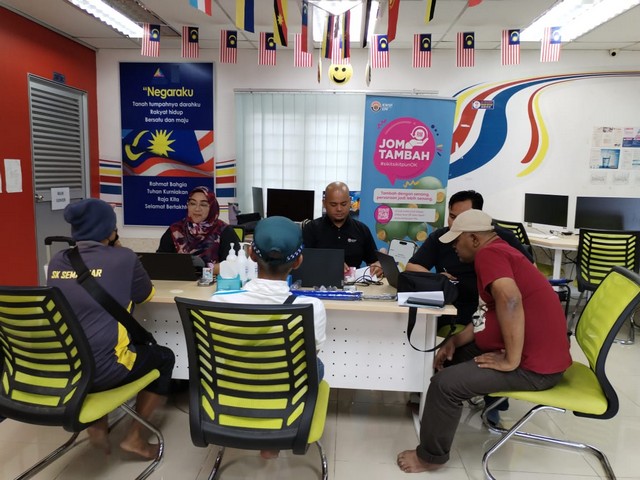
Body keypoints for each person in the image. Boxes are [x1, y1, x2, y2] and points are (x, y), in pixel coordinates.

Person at [396, 209, 572, 473]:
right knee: (449, 356)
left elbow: (510, 300)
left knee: (445, 385)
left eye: (457, 241)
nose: (454, 247)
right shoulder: (500, 252)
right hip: (534, 355)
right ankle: (435, 415)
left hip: (534, 367)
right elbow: (488, 312)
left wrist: (510, 359)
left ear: (475, 239)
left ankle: (429, 458)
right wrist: (456, 340)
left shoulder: (490, 255)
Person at [47, 198, 175, 459]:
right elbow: (145, 295)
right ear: (109, 230)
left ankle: (97, 425)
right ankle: (134, 438)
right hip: (106, 370)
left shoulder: (59, 260)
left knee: (94, 337)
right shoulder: (124, 258)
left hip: (66, 367)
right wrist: (118, 247)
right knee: (164, 357)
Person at [210, 215, 327, 460]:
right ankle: (275, 434)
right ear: (298, 261)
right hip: (285, 397)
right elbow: (308, 359)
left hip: (231, 391)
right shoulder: (311, 307)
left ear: (251, 254)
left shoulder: (219, 301)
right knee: (317, 365)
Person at [405, 190, 533, 328]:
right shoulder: (440, 237)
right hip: (451, 308)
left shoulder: (495, 244)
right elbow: (412, 266)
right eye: (452, 217)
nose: (455, 224)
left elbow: (521, 286)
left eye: (462, 218)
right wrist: (437, 278)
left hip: (484, 311)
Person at [302, 181, 382, 277]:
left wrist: (378, 266)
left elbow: (373, 261)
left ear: (350, 202)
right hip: (319, 282)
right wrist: (327, 264)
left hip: (355, 284)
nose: (339, 209)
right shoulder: (311, 229)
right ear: (324, 203)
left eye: (343, 204)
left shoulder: (362, 230)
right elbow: (302, 263)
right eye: (333, 205)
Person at [157, 186, 240, 275]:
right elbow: (159, 262)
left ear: (212, 208)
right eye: (193, 203)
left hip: (214, 282)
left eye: (203, 205)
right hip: (179, 282)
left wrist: (204, 268)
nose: (197, 209)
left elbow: (234, 266)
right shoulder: (176, 230)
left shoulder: (224, 231)